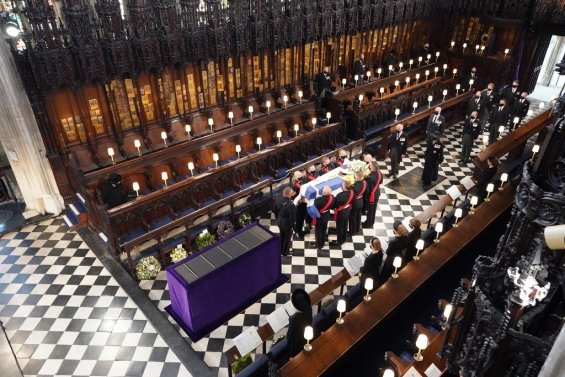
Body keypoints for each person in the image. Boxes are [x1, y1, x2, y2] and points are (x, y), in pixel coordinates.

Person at [286, 288, 313, 358]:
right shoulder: (309, 309)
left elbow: (289, 336)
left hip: (297, 341)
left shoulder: (294, 319)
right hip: (305, 334)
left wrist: (291, 320)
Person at [274, 187, 296, 256]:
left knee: (282, 236)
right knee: (287, 238)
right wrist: (293, 226)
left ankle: (280, 249)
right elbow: (292, 217)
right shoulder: (291, 204)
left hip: (280, 220)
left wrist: (277, 217)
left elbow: (274, 209)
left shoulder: (278, 199)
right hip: (287, 223)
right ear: (290, 194)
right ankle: (285, 252)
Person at [313, 186, 334, 252]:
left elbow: (314, 207)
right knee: (324, 230)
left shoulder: (319, 200)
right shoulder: (332, 198)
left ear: (324, 192)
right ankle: (322, 242)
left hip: (320, 217)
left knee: (318, 231)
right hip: (326, 216)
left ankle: (319, 245)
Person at [363, 160, 383, 228]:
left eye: (370, 165)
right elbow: (380, 182)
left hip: (372, 196)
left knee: (370, 211)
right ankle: (371, 222)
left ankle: (368, 224)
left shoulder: (370, 178)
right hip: (377, 192)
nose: (369, 165)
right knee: (373, 210)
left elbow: (368, 189)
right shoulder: (379, 173)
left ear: (373, 167)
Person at [349, 171, 367, 236]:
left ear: (357, 177)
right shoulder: (365, 183)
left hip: (355, 204)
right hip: (361, 202)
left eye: (355, 176)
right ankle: (357, 229)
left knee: (352, 218)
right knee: (358, 216)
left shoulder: (354, 186)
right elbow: (366, 191)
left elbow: (352, 196)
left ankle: (352, 232)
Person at [291, 171, 309, 239]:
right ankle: (298, 232)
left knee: (303, 217)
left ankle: (303, 227)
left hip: (305, 202)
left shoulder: (303, 181)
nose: (301, 178)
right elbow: (292, 197)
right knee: (299, 219)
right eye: (299, 177)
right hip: (299, 205)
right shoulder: (294, 186)